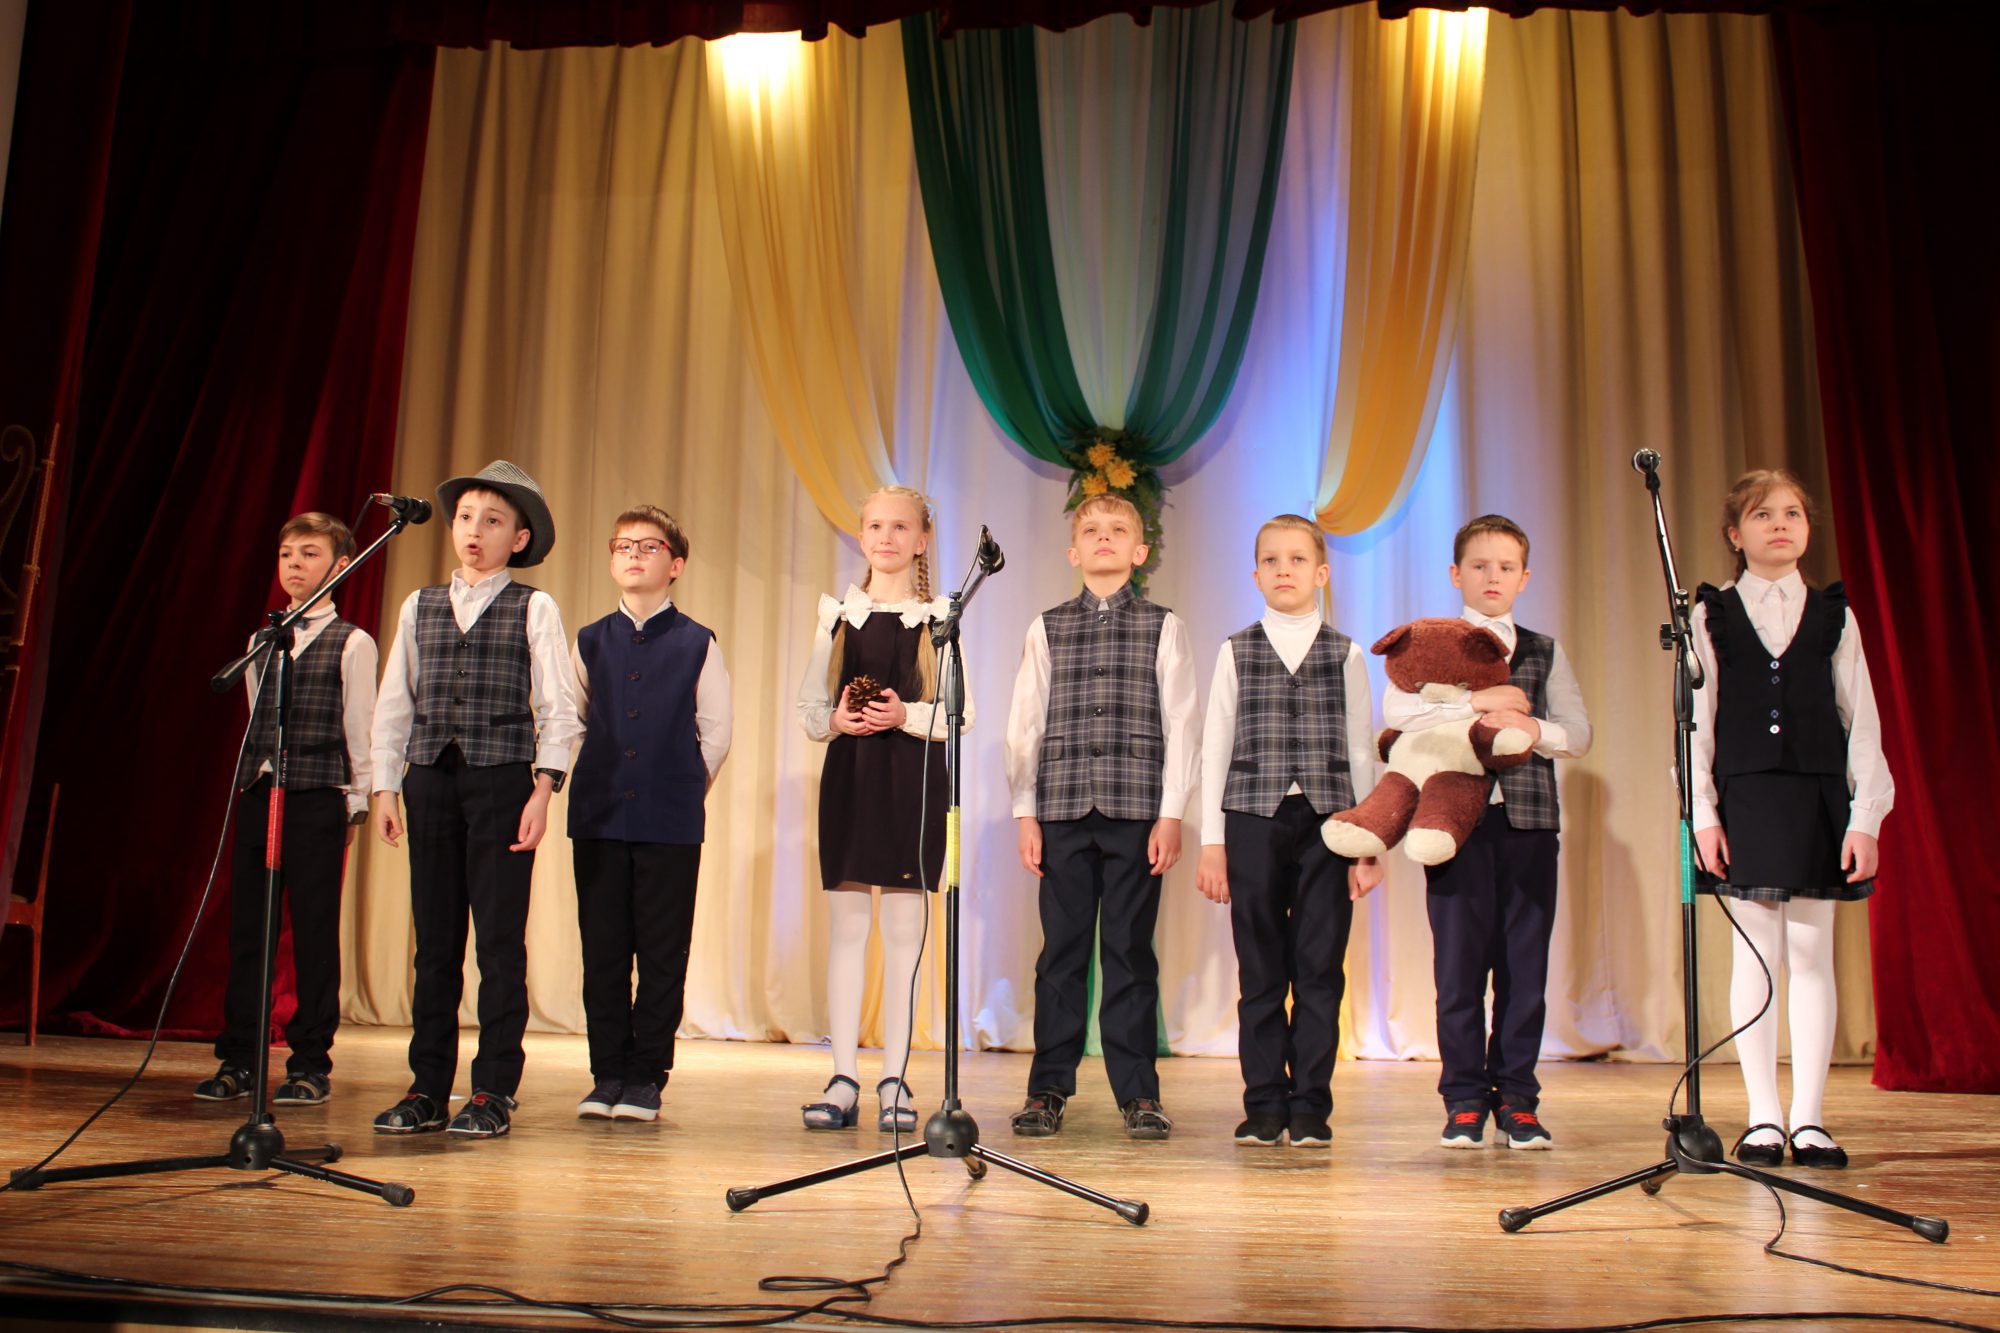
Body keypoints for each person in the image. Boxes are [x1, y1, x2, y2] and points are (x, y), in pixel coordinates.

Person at [369, 460, 582, 1139]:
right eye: (466, 517)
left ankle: (492, 1087)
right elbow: (394, 702)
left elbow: (559, 707)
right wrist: (384, 785)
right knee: (434, 943)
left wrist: (544, 788)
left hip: (502, 779)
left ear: (518, 538)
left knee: (498, 942)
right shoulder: (419, 604)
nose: (474, 530)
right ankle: (426, 1086)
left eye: (492, 521)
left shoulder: (534, 607)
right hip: (430, 775)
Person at [1691, 470, 1890, 1170]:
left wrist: (1866, 816)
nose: (1780, 524)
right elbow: (1697, 724)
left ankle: (1808, 1117)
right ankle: (1762, 1117)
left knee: (1810, 954)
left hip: (1815, 796)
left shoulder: (1834, 614)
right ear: (1734, 533)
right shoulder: (1711, 615)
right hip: (1745, 797)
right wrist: (1703, 815)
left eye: (1793, 513)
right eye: (1762, 514)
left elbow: (1861, 719)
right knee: (1755, 954)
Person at [1386, 515, 1592, 1149]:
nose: (1492, 577)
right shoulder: (1430, 643)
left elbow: (1578, 732)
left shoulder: (1544, 650)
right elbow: (1399, 715)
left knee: (1523, 968)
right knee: (1459, 969)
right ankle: (1464, 1099)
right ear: (1456, 574)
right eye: (1479, 566)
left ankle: (1519, 1099)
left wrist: (1533, 729)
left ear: (1524, 578)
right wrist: (1471, 704)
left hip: (1529, 824)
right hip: (1454, 826)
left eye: (1506, 567)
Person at [1003, 495, 1198, 1141]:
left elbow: (1182, 724)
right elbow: (1025, 725)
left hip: (1136, 811)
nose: (1104, 538)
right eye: (1091, 530)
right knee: (1060, 954)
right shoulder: (1047, 627)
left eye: (1118, 530)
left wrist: (1171, 813)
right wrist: (1025, 812)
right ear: (1074, 552)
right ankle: (1048, 1088)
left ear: (1140, 551)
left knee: (1129, 952)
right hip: (1061, 809)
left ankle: (1139, 1092)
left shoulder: (1164, 626)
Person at [1194, 515, 1381, 1148]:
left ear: (1321, 573)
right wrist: (1212, 842)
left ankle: (1310, 1107)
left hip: (1330, 824)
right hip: (1252, 817)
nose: (1284, 570)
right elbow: (1216, 747)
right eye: (1271, 560)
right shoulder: (1235, 650)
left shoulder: (1346, 652)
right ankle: (1264, 1103)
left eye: (1297, 559)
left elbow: (1361, 751)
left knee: (1320, 967)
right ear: (1255, 575)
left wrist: (1368, 843)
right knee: (1261, 967)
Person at [796, 485, 962, 1133]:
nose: (885, 537)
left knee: (901, 933)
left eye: (899, 527)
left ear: (922, 540)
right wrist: (836, 720)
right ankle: (843, 1076)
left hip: (912, 786)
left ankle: (896, 1076)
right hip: (851, 780)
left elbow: (959, 713)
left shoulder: (938, 619)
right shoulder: (838, 615)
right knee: (846, 930)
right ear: (861, 536)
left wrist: (905, 715)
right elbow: (811, 709)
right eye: (874, 526)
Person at [196, 513, 377, 1107]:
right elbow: (256, 716)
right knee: (251, 930)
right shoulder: (262, 641)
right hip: (262, 793)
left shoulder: (352, 642)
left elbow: (359, 727)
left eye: (309, 553)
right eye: (287, 555)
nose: (295, 564)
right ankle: (240, 1057)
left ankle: (310, 1061)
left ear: (341, 566)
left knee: (315, 932)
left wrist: (356, 802)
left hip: (318, 797)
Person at [569, 505, 731, 1123]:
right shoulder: (590, 639)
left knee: (663, 951)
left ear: (676, 565)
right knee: (603, 950)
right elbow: (570, 721)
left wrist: (681, 789)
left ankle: (645, 1076)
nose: (634, 554)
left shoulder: (697, 641)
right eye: (623, 545)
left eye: (649, 546)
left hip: (670, 819)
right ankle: (606, 1072)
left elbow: (715, 733)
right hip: (599, 815)